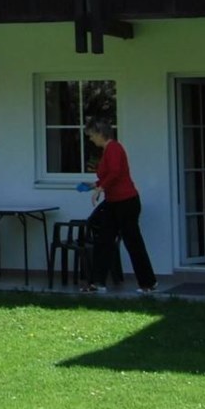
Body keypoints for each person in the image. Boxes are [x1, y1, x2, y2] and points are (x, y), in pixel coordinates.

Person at [80, 121, 158, 294]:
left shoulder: (114, 148)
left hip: (126, 202)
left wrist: (101, 188)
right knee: (104, 240)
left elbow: (115, 172)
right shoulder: (107, 150)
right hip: (113, 202)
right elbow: (111, 175)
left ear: (100, 133)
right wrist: (95, 185)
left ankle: (148, 283)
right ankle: (97, 283)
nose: (91, 139)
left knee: (132, 241)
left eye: (91, 135)